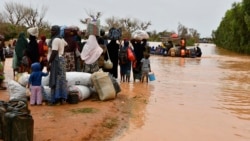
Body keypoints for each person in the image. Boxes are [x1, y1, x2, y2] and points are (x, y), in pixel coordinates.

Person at [47, 25, 68, 105]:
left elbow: (54, 52)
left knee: (55, 79)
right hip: (61, 60)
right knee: (61, 79)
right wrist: (61, 53)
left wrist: (49, 62)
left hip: (56, 61)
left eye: (53, 30)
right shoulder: (61, 39)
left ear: (57, 31)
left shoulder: (55, 39)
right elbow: (66, 46)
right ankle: (62, 98)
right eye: (51, 30)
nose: (51, 32)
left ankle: (56, 99)